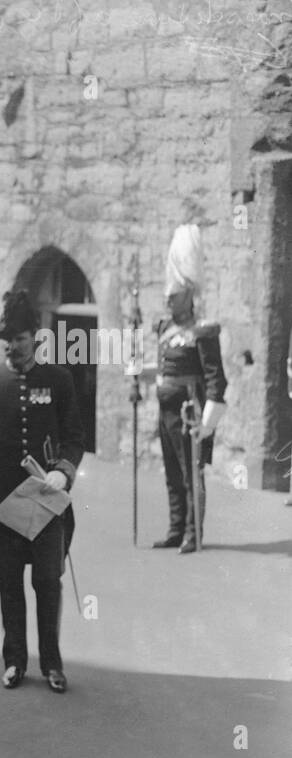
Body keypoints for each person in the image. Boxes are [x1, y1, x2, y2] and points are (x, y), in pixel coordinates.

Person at [0, 290, 84, 693]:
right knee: (9, 585)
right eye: (6, 338)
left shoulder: (59, 380)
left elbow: (74, 437)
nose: (11, 345)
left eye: (18, 337)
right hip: (4, 506)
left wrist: (63, 475)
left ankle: (52, 662)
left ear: (36, 336)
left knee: (48, 583)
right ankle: (15, 660)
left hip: (47, 501)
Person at [152, 224, 227, 554]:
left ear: (189, 295)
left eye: (175, 294)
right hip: (165, 408)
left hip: (189, 411)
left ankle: (193, 533)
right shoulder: (164, 328)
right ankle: (175, 528)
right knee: (171, 472)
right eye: (167, 294)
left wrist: (206, 424)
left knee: (189, 473)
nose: (168, 299)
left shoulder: (203, 331)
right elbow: (161, 367)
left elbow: (216, 380)